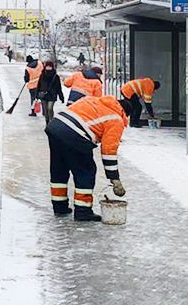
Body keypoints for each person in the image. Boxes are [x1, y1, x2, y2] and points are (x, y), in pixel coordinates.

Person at [45, 94, 129, 222]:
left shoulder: (94, 100)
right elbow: (108, 151)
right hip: (75, 134)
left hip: (55, 127)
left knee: (59, 169)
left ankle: (59, 206)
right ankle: (83, 211)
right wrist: (114, 178)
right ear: (125, 113)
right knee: (86, 171)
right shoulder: (116, 119)